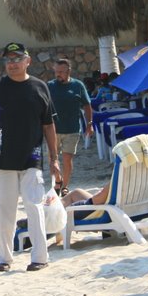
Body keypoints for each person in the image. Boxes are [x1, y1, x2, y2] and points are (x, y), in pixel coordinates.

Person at [0, 42, 61, 273]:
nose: (12, 64)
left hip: (31, 158)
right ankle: (4, 259)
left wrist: (54, 159)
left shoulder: (40, 87)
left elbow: (49, 125)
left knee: (34, 207)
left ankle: (40, 257)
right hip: (0, 159)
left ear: (27, 61)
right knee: (5, 211)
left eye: (17, 59)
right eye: (9, 60)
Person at [47, 58, 93, 195]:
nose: (58, 74)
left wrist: (89, 124)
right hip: (53, 129)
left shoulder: (78, 86)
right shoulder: (49, 86)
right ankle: (58, 180)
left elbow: (87, 105)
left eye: (61, 72)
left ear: (69, 71)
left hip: (72, 129)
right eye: (56, 71)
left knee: (67, 158)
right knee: (52, 159)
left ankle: (65, 186)